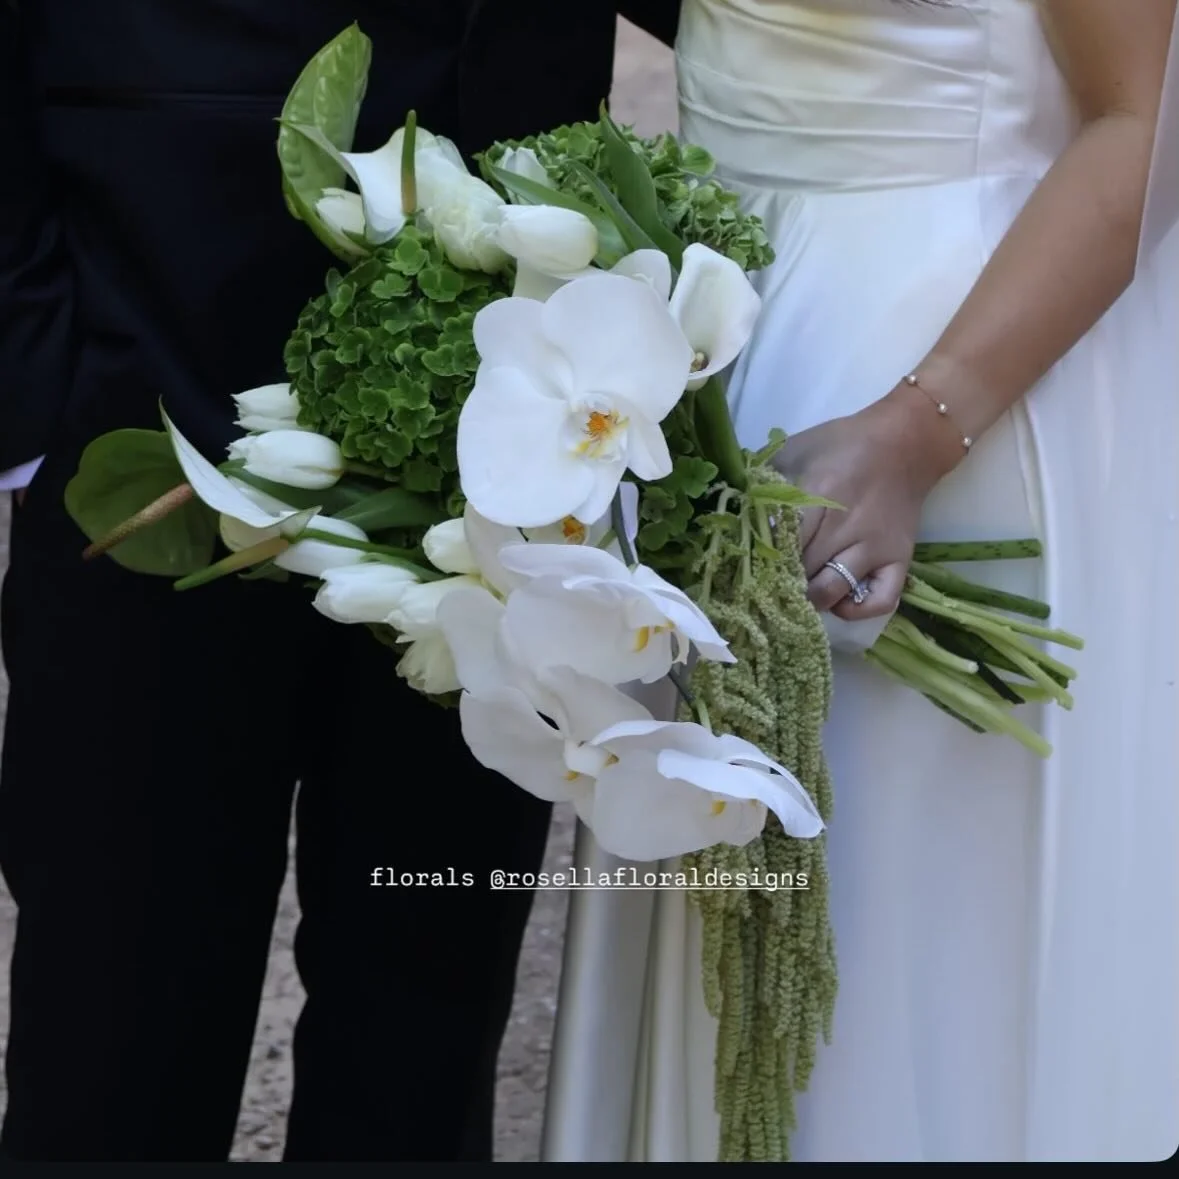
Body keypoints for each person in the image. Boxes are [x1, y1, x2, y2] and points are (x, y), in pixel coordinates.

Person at [0, 0, 678, 1162]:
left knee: (424, 1027)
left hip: (507, 429)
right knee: (116, 1022)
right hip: (142, 371)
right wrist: (35, 394)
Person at [543, 0, 1178, 1162]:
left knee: (915, 921)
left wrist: (918, 430)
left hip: (955, 368)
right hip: (717, 344)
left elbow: (1149, 115)